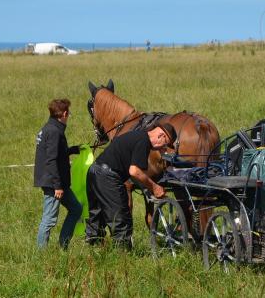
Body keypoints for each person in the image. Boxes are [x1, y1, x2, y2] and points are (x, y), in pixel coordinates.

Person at [85, 123, 177, 249]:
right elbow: (134, 171)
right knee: (121, 219)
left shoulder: (138, 135)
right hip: (108, 176)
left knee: (97, 216)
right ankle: (123, 260)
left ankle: (93, 252)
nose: (164, 148)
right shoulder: (144, 141)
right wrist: (154, 187)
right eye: (165, 143)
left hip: (95, 171)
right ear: (161, 135)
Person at [34, 98, 82, 249]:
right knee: (49, 219)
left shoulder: (50, 128)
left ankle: (63, 245)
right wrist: (57, 186)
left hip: (57, 181)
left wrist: (73, 150)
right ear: (65, 114)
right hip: (53, 183)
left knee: (76, 209)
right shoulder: (54, 131)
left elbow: (56, 153)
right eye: (69, 113)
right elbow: (51, 160)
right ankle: (41, 255)